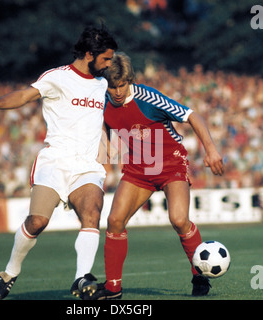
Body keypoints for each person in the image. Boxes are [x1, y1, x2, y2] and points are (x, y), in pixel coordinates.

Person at [0, 25, 118, 300]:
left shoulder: (103, 85)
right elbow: (25, 95)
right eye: (106, 58)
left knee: (92, 214)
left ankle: (80, 280)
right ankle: (10, 271)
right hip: (55, 161)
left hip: (87, 166)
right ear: (90, 54)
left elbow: (105, 123)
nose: (109, 63)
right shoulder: (57, 77)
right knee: (37, 221)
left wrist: (113, 153)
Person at [89, 52, 224, 300]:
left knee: (179, 219)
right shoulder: (103, 102)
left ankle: (199, 274)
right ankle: (113, 289)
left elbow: (192, 115)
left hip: (171, 164)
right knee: (115, 220)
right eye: (112, 86)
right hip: (138, 170)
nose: (117, 92)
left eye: (122, 85)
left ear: (129, 80)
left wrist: (211, 149)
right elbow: (106, 130)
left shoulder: (148, 97)